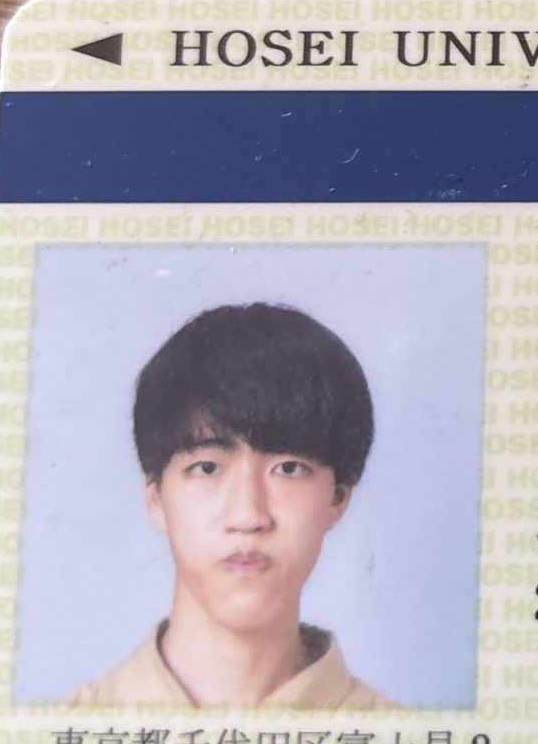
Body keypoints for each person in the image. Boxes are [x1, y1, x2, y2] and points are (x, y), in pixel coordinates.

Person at [67, 301, 398, 709]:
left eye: (288, 468)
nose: (248, 516)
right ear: (156, 497)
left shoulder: (402, 741)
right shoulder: (65, 733)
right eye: (207, 468)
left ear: (338, 498)